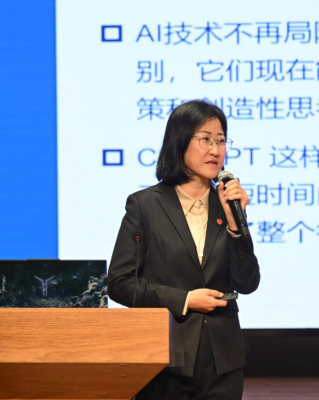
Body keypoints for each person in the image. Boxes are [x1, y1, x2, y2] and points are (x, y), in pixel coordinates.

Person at [107, 100, 261, 400]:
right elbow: (121, 283)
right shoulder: (145, 205)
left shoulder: (228, 205)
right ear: (179, 142)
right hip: (165, 359)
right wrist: (186, 300)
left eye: (221, 141)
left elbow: (247, 283)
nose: (215, 150)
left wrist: (236, 227)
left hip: (224, 362)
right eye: (206, 139)